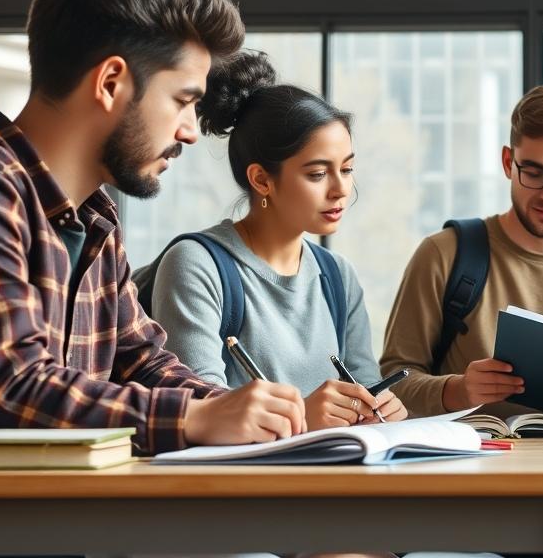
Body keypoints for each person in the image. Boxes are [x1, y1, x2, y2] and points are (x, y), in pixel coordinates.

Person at [0, 0, 306, 454]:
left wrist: (250, 420)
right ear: (110, 82)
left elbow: (142, 362)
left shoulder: (93, 218)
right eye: (183, 101)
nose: (191, 131)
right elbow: (16, 391)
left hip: (46, 525)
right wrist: (198, 417)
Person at [149, 50, 405, 430]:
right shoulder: (195, 264)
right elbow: (199, 408)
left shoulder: (338, 277)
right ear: (261, 180)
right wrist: (303, 414)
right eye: (318, 174)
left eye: (347, 169)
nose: (341, 190)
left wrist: (380, 410)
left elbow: (364, 389)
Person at [380, 86, 543, 437]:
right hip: (463, 479)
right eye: (533, 172)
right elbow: (392, 383)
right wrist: (458, 391)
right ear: (506, 162)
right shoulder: (443, 254)